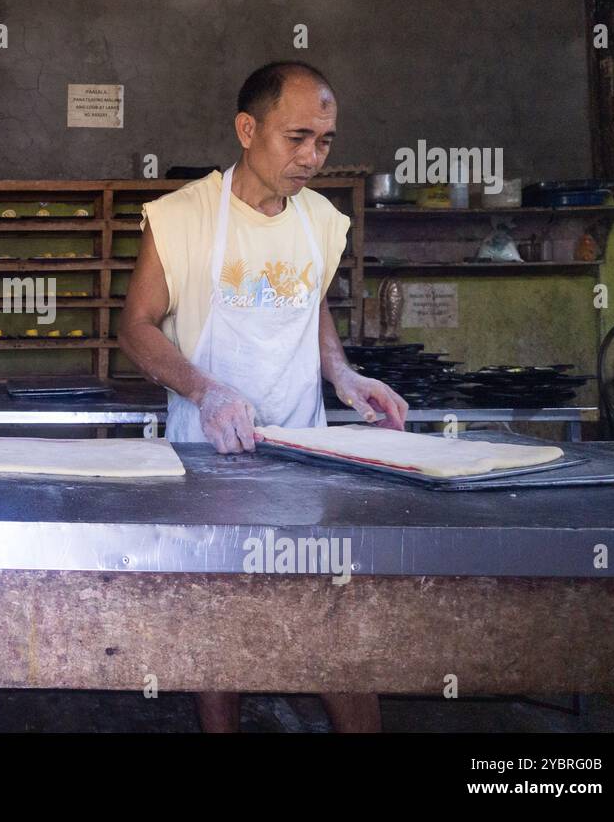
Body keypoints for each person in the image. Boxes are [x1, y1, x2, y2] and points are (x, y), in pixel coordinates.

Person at [119, 61, 408, 732]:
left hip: (303, 459)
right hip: (209, 459)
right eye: (296, 137)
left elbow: (307, 307)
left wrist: (344, 376)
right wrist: (207, 390)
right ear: (247, 129)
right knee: (219, 621)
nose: (312, 157)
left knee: (331, 621)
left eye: (326, 140)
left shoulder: (321, 221)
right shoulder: (185, 217)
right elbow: (133, 327)